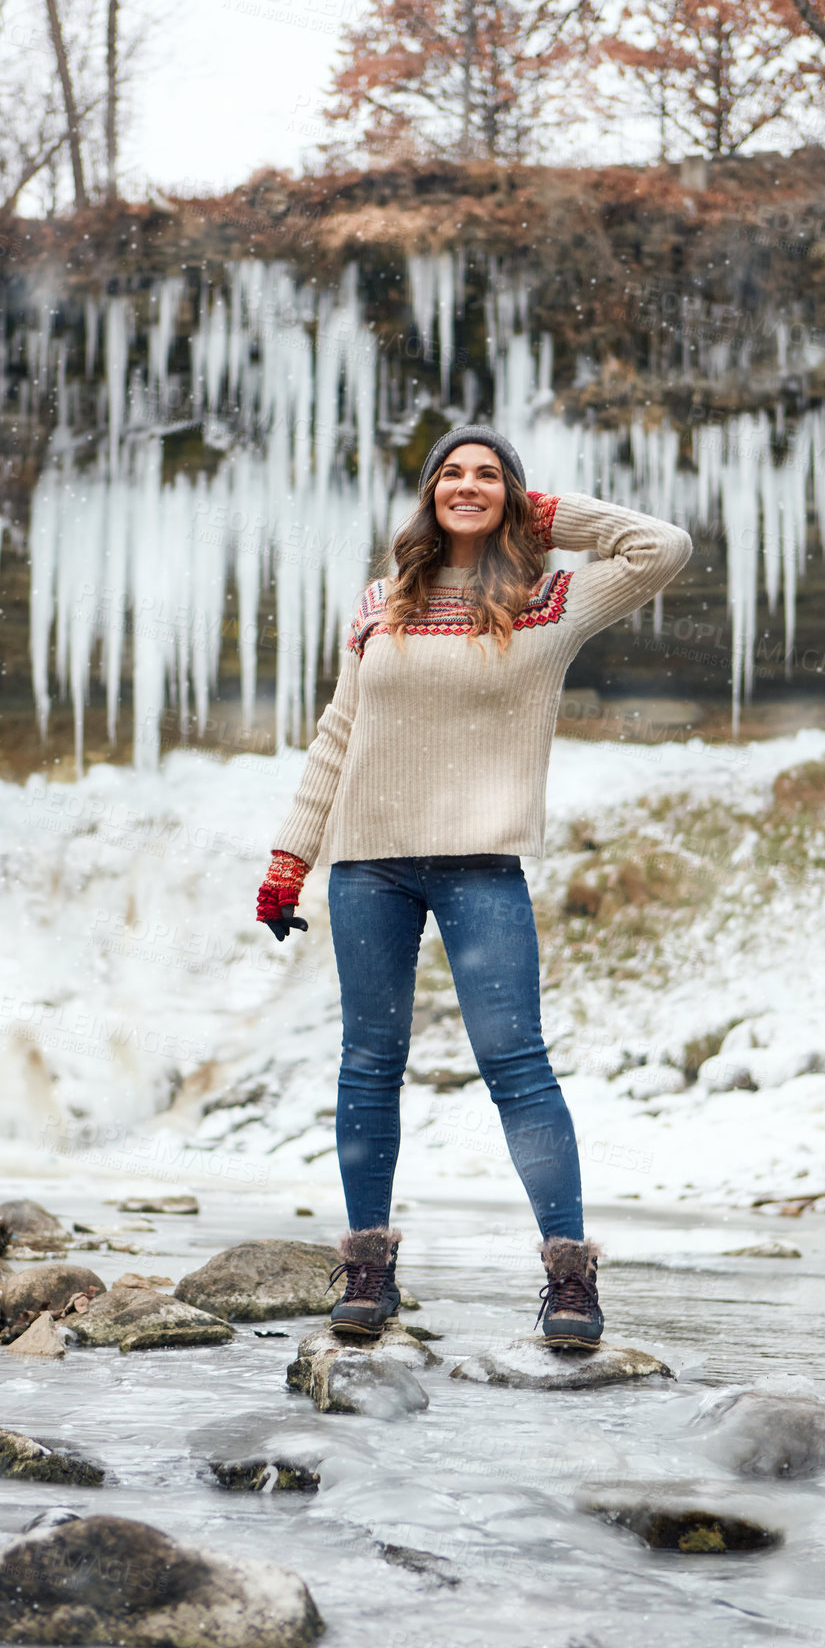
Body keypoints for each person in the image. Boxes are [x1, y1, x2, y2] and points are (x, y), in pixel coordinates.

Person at [255, 424, 692, 1350]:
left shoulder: (553, 599)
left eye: (488, 475)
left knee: (516, 1065)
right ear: (427, 495)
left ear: (515, 496)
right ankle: (369, 1269)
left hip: (481, 867)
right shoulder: (382, 603)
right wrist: (290, 856)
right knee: (369, 1065)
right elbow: (339, 732)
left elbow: (661, 547)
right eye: (451, 474)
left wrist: (543, 515)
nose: (467, 485)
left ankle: (570, 1283)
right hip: (368, 865)